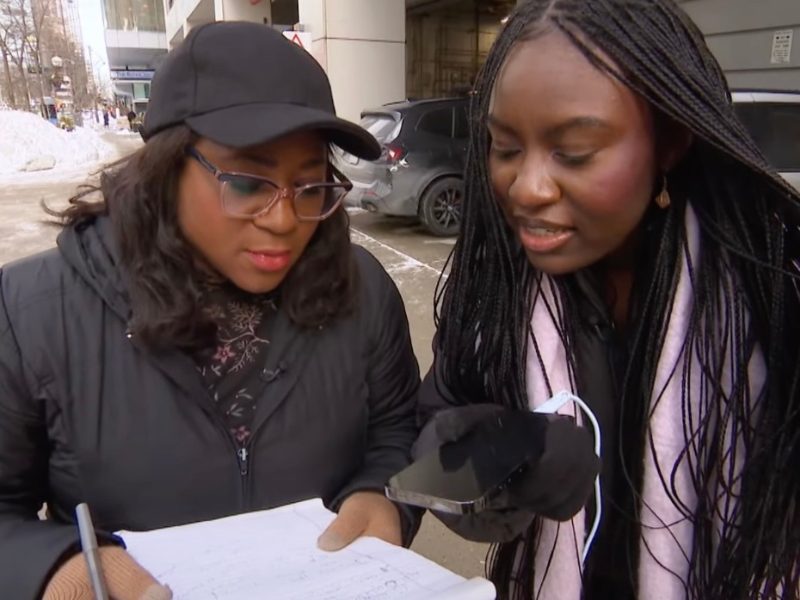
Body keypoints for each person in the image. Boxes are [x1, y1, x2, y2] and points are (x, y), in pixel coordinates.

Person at [0, 21, 421, 600]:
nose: (283, 221)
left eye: (309, 186)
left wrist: (383, 495)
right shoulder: (30, 315)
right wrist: (59, 571)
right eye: (249, 183)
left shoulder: (362, 291)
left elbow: (397, 430)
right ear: (166, 171)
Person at [414, 1, 800, 599]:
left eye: (573, 152)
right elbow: (440, 424)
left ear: (668, 143)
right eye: (505, 147)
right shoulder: (497, 290)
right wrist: (487, 457)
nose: (528, 188)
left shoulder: (774, 289)